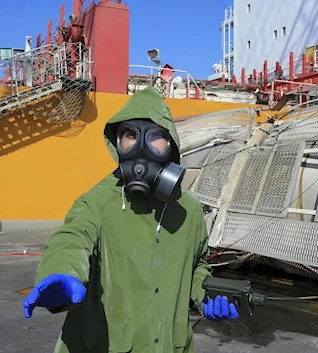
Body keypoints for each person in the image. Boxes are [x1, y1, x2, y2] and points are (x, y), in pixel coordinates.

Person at [22, 87, 238, 353]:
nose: (141, 147)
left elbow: (197, 265)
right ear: (118, 144)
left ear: (170, 144)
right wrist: (62, 271)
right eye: (130, 135)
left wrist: (205, 293)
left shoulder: (188, 209)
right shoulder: (97, 202)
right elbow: (71, 240)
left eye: (155, 136)